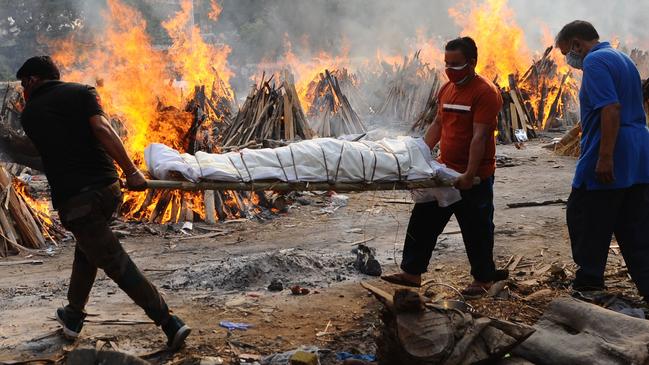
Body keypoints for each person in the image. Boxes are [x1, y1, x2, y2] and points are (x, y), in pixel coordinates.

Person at [16, 56, 191, 350]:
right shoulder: (82, 92)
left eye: (24, 83)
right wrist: (131, 172)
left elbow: (60, 145)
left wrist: (133, 171)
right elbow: (102, 129)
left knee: (114, 261)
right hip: (109, 191)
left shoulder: (30, 114)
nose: (22, 90)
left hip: (76, 201)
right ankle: (73, 316)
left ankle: (168, 322)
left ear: (34, 81)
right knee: (87, 250)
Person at [382, 37, 506, 297]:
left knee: (477, 228)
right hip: (443, 171)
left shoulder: (485, 92)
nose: (450, 69)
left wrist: (469, 174)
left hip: (473, 175)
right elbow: (438, 124)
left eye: (456, 64)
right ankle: (412, 273)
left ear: (472, 62)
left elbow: (480, 136)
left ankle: (483, 280)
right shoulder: (447, 89)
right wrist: (422, 156)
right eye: (447, 63)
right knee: (423, 221)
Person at [554, 21, 649, 297]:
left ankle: (589, 283)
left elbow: (610, 109)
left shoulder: (595, 62)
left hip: (612, 150)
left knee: (585, 216)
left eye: (565, 53)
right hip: (638, 153)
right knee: (634, 225)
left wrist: (605, 157)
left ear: (576, 44)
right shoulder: (623, 58)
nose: (568, 60)